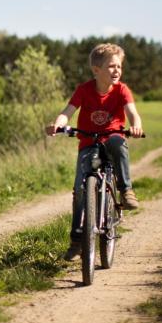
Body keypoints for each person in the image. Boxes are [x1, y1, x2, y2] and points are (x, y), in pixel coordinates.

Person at [46, 43, 144, 261]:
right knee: (81, 189)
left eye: (119, 66)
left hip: (113, 137)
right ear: (96, 69)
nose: (116, 70)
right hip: (89, 142)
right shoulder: (84, 90)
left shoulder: (122, 90)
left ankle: (126, 190)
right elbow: (67, 112)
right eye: (111, 66)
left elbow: (133, 113)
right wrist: (57, 124)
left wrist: (136, 126)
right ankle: (77, 241)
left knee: (119, 145)